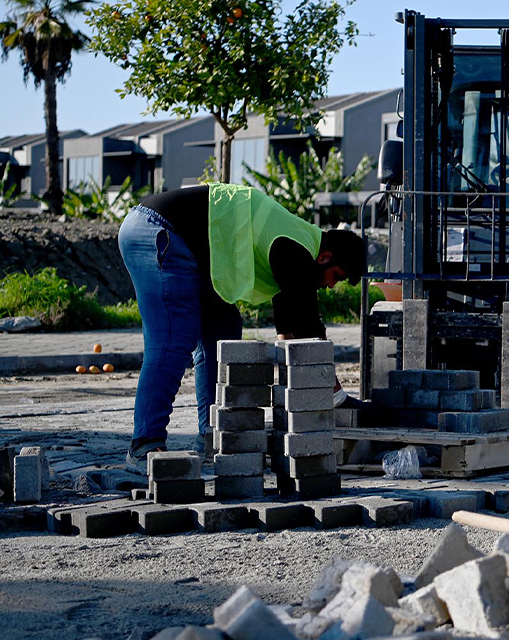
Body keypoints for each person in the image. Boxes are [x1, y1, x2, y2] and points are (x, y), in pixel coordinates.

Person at [118, 183, 365, 473]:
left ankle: (213, 436)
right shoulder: (297, 250)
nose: (331, 285)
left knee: (223, 329)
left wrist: (296, 392)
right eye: (336, 276)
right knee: (173, 338)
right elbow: (308, 326)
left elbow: (289, 327)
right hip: (159, 231)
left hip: (197, 253)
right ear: (325, 257)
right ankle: (144, 444)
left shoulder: (296, 243)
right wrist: (336, 397)